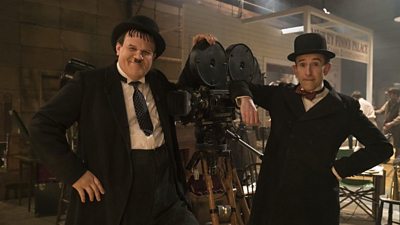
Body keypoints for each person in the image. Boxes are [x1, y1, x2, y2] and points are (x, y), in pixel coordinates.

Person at [29, 15, 216, 225]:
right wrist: (74, 173)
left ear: (153, 57)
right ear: (118, 48)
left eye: (145, 52)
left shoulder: (157, 81)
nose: (138, 56)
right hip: (116, 197)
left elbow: (184, 95)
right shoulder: (90, 84)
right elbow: (41, 125)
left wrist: (197, 55)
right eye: (132, 48)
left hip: (165, 194)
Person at [229, 33, 393, 225]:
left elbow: (382, 147)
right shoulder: (281, 96)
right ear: (295, 69)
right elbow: (238, 83)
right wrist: (245, 99)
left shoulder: (344, 107)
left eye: (315, 64)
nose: (308, 71)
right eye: (302, 64)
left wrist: (338, 170)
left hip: (316, 203)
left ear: (326, 68)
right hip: (274, 199)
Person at [375, 87, 400, 158]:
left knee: (397, 144)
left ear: (396, 95)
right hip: (387, 126)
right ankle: (386, 157)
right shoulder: (388, 102)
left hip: (397, 127)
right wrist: (373, 111)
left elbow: (399, 117)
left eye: (391, 94)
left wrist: (391, 124)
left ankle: (397, 161)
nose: (389, 95)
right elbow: (381, 111)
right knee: (385, 143)